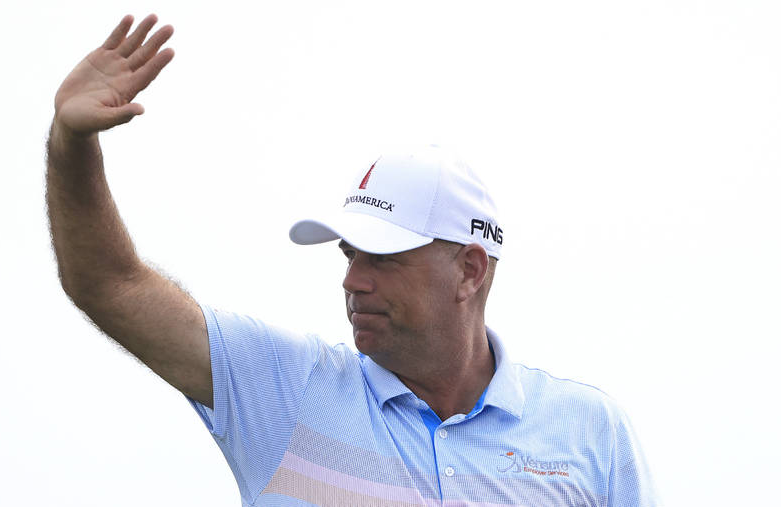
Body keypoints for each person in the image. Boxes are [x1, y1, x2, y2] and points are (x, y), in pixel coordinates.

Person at [47, 14, 658, 506]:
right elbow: (109, 284)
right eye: (349, 254)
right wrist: (72, 145)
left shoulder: (589, 434)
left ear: (470, 271)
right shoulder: (283, 389)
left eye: (384, 258)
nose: (352, 280)